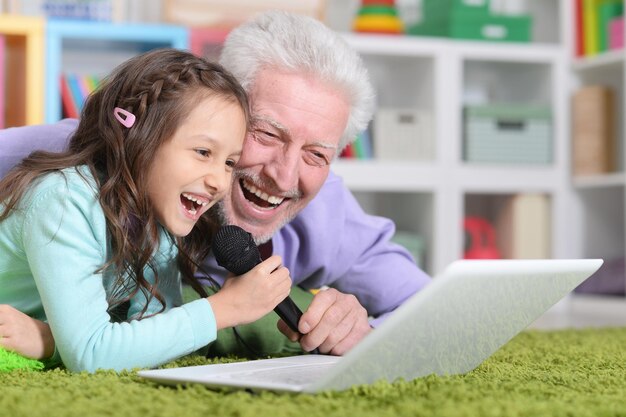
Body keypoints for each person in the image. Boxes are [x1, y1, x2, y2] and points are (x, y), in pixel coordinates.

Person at [0, 11, 431, 360]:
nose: (283, 176)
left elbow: (429, 308)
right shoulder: (82, 160)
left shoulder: (325, 210)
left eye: (316, 153)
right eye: (266, 134)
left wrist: (362, 329)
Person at [0, 48, 295, 372]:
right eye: (202, 151)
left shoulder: (158, 213)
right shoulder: (64, 202)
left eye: (229, 163)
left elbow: (151, 330)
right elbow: (91, 355)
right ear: (138, 139)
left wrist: (51, 341)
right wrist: (224, 309)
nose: (220, 182)